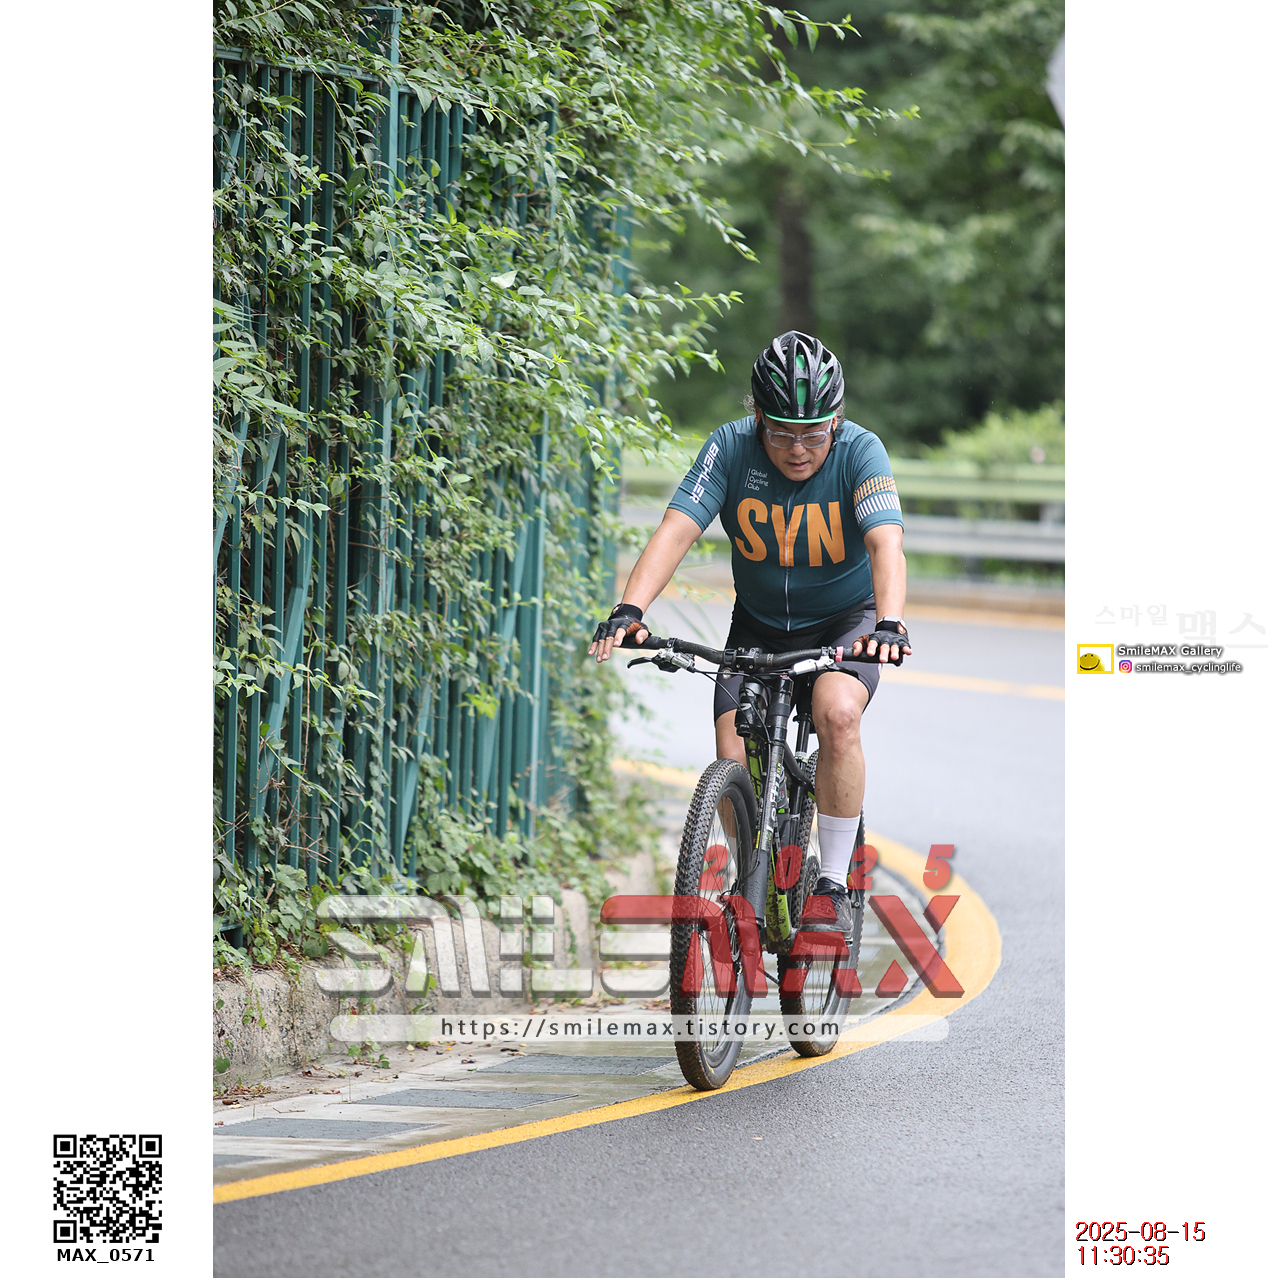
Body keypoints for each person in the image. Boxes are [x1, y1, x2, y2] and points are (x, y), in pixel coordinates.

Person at [589, 331, 911, 938]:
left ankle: (832, 886)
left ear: (836, 420)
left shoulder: (861, 452)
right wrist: (630, 609)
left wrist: (889, 623)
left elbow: (884, 542)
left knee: (838, 714)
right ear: (757, 415)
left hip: (845, 621)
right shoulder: (730, 447)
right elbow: (677, 528)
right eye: (782, 432)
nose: (798, 449)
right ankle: (751, 879)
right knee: (730, 752)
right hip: (758, 625)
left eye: (814, 433)